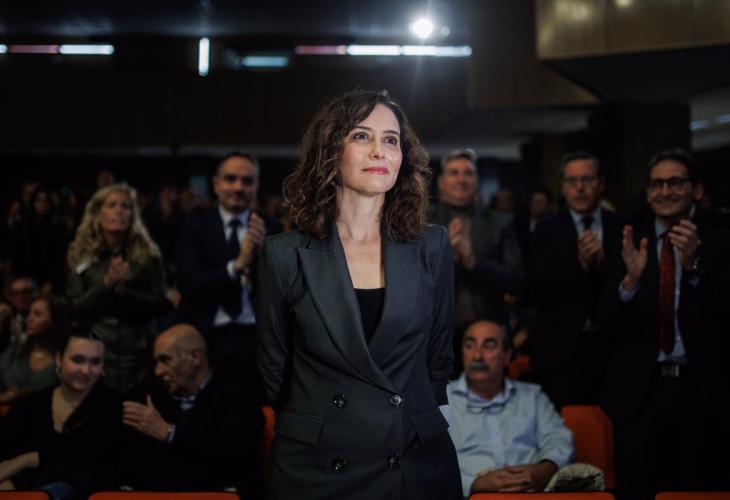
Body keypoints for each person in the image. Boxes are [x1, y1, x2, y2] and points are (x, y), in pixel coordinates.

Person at [257, 89, 462, 500]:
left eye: (391, 140)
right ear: (331, 152)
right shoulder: (283, 254)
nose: (379, 151)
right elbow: (274, 372)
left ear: (403, 157)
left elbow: (439, 359)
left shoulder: (432, 246)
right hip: (316, 466)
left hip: (411, 458)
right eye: (362, 136)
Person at [600, 149, 730, 499]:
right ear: (647, 193)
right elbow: (603, 318)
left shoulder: (721, 238)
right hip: (639, 396)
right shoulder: (626, 238)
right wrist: (629, 282)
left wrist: (694, 267)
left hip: (702, 393)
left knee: (698, 492)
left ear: (696, 190)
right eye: (657, 184)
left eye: (675, 182)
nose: (665, 191)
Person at [530, 151, 627, 408]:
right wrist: (580, 265)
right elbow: (538, 287)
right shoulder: (546, 228)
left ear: (601, 183)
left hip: (613, 347)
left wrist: (603, 264)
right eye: (572, 181)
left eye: (587, 179)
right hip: (561, 351)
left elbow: (629, 281)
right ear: (563, 187)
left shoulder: (623, 225)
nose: (580, 188)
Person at [121, 323, 263, 494]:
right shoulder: (150, 397)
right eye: (156, 362)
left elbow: (233, 456)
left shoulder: (239, 394)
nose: (158, 371)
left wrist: (169, 433)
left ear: (195, 357)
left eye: (166, 360)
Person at [177, 152, 282, 376]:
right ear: (216, 184)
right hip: (208, 336)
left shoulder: (271, 227)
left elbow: (281, 290)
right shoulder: (194, 226)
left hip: (257, 337)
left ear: (256, 186)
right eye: (231, 179)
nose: (238, 187)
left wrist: (262, 255)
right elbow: (188, 284)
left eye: (247, 181)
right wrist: (237, 265)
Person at [444, 320, 574, 497]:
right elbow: (428, 462)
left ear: (507, 356)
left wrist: (547, 468)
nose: (477, 356)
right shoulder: (442, 400)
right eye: (469, 346)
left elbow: (559, 438)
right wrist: (473, 483)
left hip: (531, 493)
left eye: (489, 346)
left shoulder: (532, 396)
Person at [427, 148, 525, 374]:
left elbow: (518, 280)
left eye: (468, 173)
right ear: (441, 182)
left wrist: (473, 263)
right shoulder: (423, 223)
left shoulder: (501, 223)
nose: (461, 179)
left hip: (488, 332)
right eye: (454, 173)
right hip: (435, 334)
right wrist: (448, 258)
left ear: (477, 181)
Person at [66, 183, 171, 392]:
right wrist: (106, 284)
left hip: (138, 351)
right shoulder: (80, 254)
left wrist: (125, 293)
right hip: (94, 353)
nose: (119, 211)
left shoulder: (148, 255)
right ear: (97, 214)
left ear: (133, 214)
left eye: (125, 206)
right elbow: (74, 308)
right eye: (112, 205)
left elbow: (162, 303)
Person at [0, 327, 123, 499]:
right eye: (78, 360)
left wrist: (27, 459)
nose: (86, 370)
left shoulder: (115, 406)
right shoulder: (28, 406)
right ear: (59, 359)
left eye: (95, 362)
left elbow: (96, 458)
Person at [0, 295, 65, 402]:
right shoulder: (16, 349)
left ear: (55, 319)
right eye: (29, 313)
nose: (29, 319)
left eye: (37, 314)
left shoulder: (64, 358)